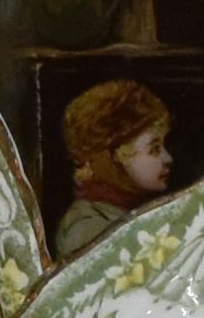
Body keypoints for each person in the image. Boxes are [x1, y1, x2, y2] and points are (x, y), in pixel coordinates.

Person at [52, 77, 179, 256]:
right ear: (114, 157)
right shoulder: (88, 227)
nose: (168, 158)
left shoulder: (128, 211)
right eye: (154, 149)